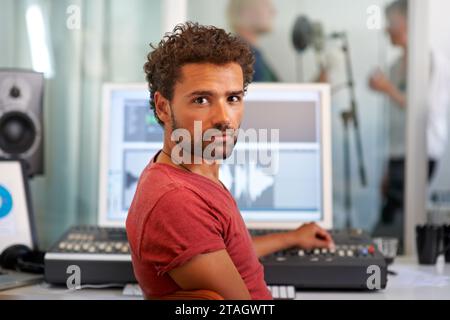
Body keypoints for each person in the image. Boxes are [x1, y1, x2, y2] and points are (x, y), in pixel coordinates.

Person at [126, 22, 335, 300]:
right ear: (164, 107)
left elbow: (226, 253)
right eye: (201, 100)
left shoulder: (186, 174)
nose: (224, 118)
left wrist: (290, 238)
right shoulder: (177, 201)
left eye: (233, 98)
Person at [369, 0, 450, 242]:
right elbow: (395, 124)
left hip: (421, 153)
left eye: (390, 22)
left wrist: (387, 89)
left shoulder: (433, 62)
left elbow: (426, 110)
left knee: (396, 220)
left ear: (406, 22)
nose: (385, 29)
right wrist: (387, 164)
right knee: (393, 217)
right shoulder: (394, 67)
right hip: (398, 156)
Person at [227, 0, 279, 82]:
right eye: (265, 5)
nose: (273, 11)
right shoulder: (242, 56)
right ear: (247, 13)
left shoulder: (249, 53)